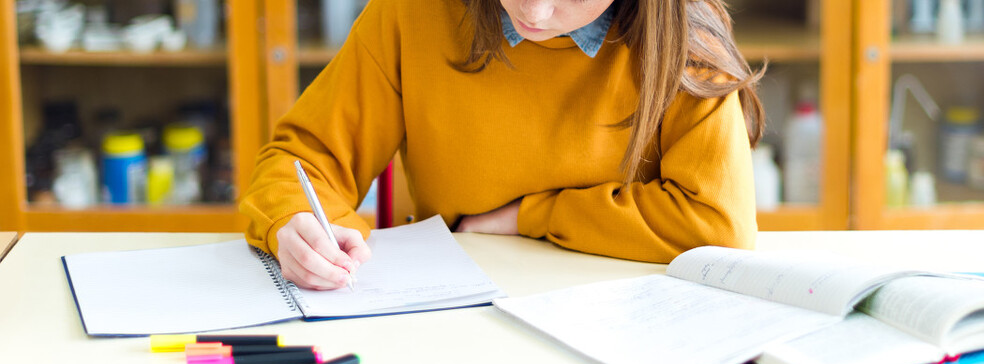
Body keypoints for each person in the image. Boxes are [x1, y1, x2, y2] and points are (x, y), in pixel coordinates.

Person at [239, 0, 766, 290]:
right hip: (454, 321)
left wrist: (529, 217)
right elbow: (300, 160)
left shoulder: (687, 42)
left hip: (627, 329)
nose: (534, 11)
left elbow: (718, 225)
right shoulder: (411, 13)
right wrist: (293, 221)